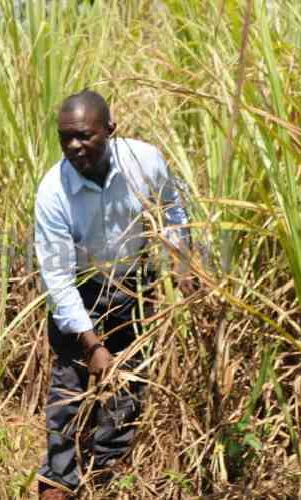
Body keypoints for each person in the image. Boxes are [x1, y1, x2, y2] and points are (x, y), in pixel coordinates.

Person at [34, 90, 191, 499]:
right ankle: (59, 482)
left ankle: (108, 476)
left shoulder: (145, 162)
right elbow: (57, 277)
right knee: (70, 389)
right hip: (79, 290)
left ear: (110, 131)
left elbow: (173, 208)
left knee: (127, 387)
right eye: (64, 137)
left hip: (133, 285)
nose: (73, 146)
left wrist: (183, 260)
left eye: (84, 135)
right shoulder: (53, 192)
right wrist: (91, 344)